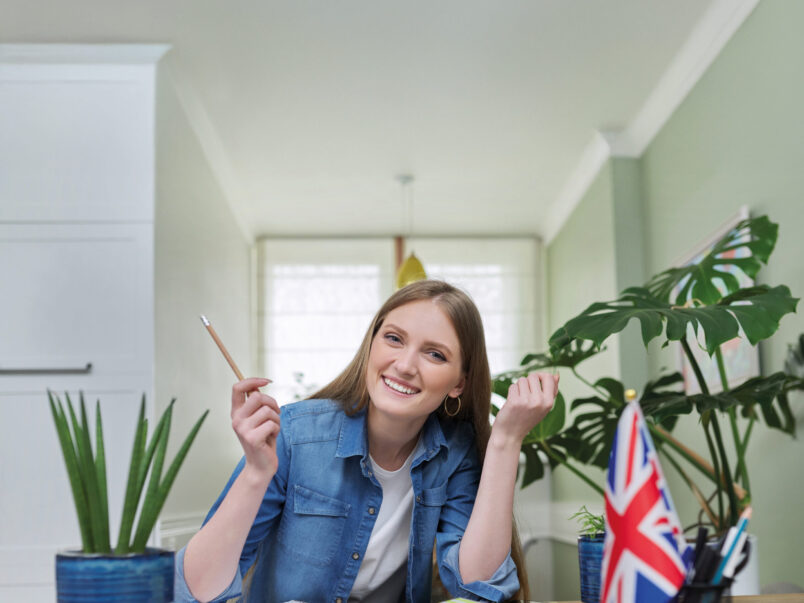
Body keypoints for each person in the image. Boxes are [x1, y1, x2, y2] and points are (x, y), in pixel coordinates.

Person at [175, 280, 557, 602]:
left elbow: (477, 586)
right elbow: (196, 591)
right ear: (371, 344)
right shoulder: (294, 434)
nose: (405, 365)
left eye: (435, 354)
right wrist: (257, 473)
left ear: (459, 383)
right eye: (393, 338)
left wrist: (506, 440)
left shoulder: (456, 451)